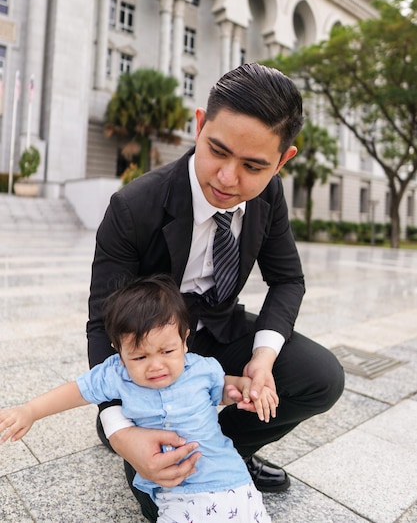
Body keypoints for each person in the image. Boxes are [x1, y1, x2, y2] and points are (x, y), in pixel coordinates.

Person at [87, 62, 345, 522]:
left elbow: (288, 280)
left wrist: (261, 361)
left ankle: (230, 451)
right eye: (217, 151)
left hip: (218, 332)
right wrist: (120, 430)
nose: (227, 178)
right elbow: (100, 323)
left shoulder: (269, 196)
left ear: (282, 161)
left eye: (253, 166)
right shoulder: (134, 207)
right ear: (200, 125)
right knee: (164, 499)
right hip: (155, 353)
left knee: (321, 376)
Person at [0, 275, 275, 522]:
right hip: (177, 493)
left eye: (167, 351)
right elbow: (76, 391)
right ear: (118, 350)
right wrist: (30, 410)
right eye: (140, 357)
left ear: (184, 340)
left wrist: (240, 388)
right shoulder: (116, 375)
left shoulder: (202, 368)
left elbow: (223, 389)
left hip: (233, 479)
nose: (156, 365)